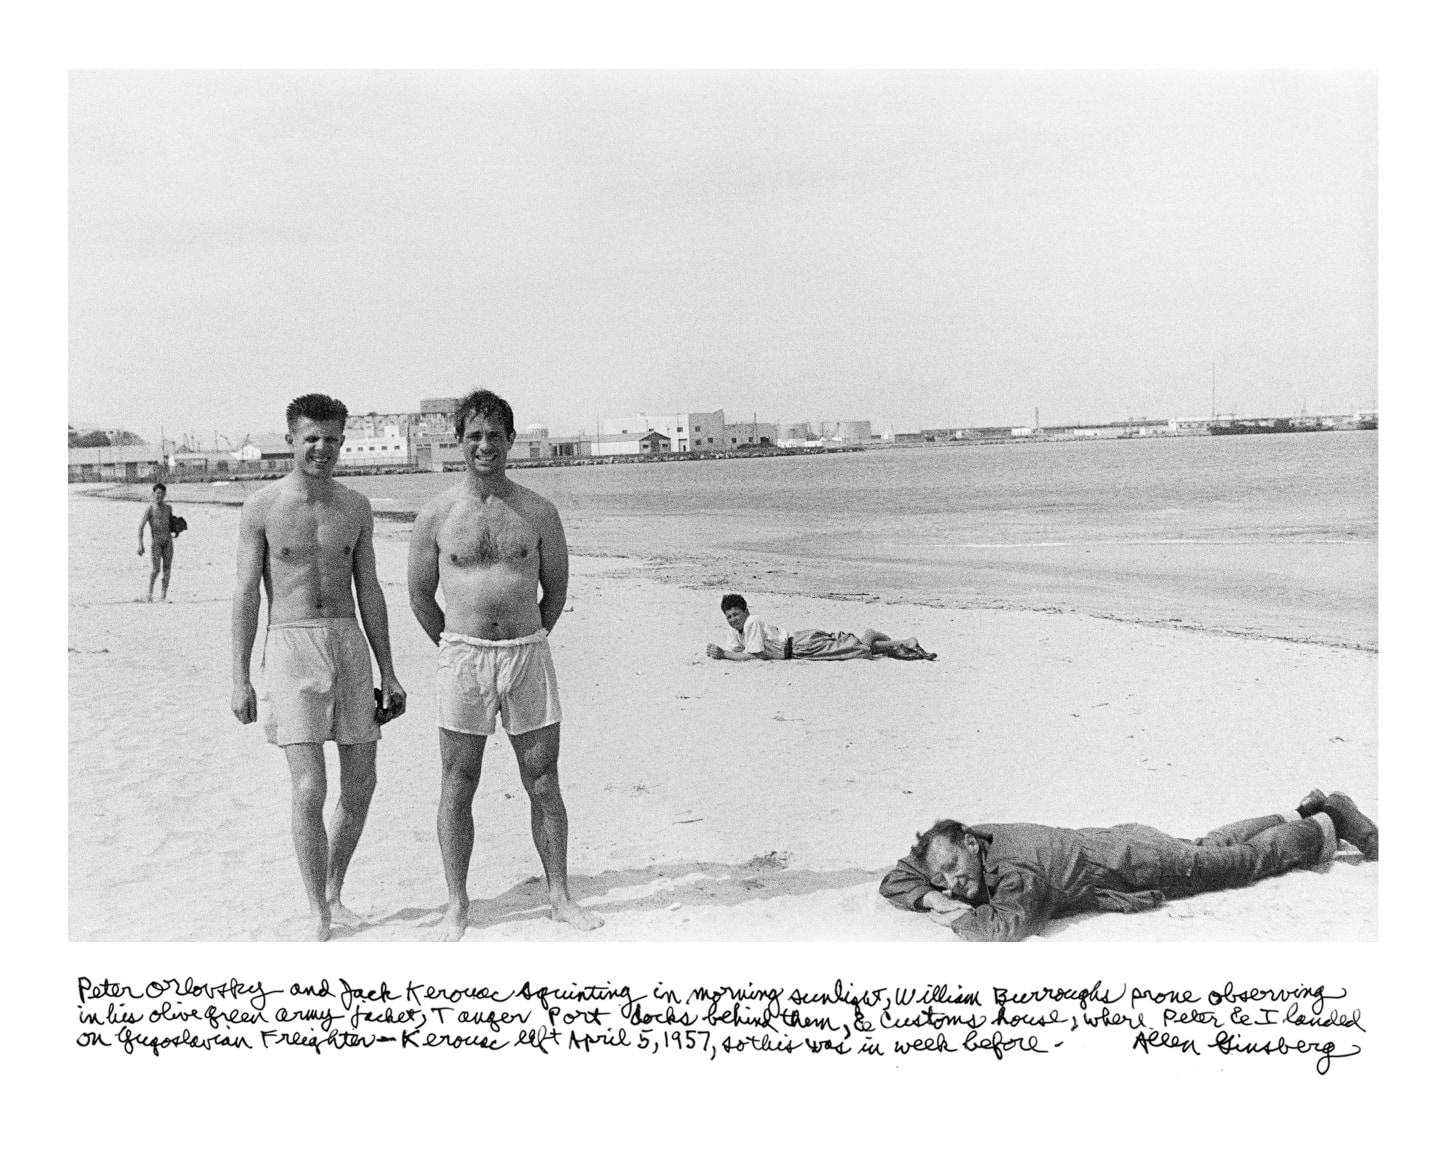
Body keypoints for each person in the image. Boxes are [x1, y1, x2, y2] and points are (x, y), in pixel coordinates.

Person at [407, 388, 602, 940]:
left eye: (495, 435)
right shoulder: (437, 514)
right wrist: (454, 646)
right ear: (459, 442)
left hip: (526, 655)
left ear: (512, 440)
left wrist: (524, 638)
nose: (485, 445)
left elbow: (556, 589)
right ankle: (457, 904)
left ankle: (560, 894)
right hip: (463, 658)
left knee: (543, 781)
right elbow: (421, 596)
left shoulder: (539, 511)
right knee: (457, 782)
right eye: (474, 436)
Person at [230, 393, 407, 941]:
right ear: (290, 440)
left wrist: (390, 671)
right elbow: (245, 595)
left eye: (332, 439)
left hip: (348, 643)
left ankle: (334, 890)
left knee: (362, 784)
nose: (322, 448)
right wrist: (239, 676)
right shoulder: (261, 508)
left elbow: (370, 590)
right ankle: (317, 911)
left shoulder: (355, 507)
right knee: (309, 787)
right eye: (311, 438)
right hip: (290, 644)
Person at [881, 788, 1378, 941]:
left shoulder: (1014, 869)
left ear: (969, 842)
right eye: (942, 875)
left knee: (1239, 862)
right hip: (1122, 843)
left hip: (1137, 864)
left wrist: (951, 912)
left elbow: (1007, 926)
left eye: (953, 869)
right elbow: (898, 877)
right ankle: (1300, 810)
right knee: (1209, 845)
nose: (952, 881)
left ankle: (1324, 824)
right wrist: (928, 891)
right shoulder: (968, 842)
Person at [705, 593, 936, 662]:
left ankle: (871, 634)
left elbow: (754, 657)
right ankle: (903, 642)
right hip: (797, 648)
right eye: (729, 616)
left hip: (799, 645)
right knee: (850, 649)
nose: (733, 619)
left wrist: (723, 654)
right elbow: (738, 652)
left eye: (736, 614)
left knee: (855, 649)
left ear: (745, 611)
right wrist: (725, 653)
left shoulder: (752, 621)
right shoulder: (737, 629)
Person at [137, 482, 176, 601]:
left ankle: (163, 596)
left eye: (162, 493)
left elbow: (171, 524)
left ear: (165, 494)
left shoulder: (169, 508)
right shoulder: (150, 508)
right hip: (156, 542)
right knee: (156, 569)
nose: (159, 496)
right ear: (153, 494)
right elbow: (141, 526)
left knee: (167, 569)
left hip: (168, 541)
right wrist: (140, 544)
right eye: (157, 493)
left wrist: (177, 530)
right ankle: (149, 593)